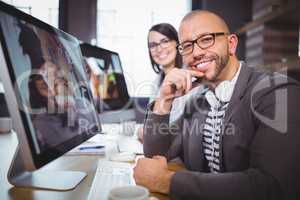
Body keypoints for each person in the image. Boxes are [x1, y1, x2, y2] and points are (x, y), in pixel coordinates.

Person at [133, 10, 300, 200]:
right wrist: (164, 100)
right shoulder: (198, 100)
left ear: (231, 44)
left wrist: (168, 182)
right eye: (187, 46)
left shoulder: (278, 92)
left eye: (206, 39)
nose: (196, 52)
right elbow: (157, 154)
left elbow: (271, 186)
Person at [147, 23, 182, 98]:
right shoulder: (156, 82)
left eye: (165, 41)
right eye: (153, 45)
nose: (159, 49)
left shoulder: (189, 76)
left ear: (177, 43)